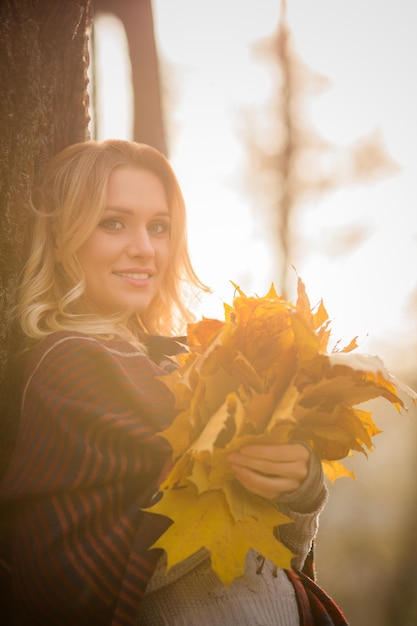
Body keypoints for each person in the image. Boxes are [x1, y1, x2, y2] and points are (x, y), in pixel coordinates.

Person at [0, 139, 348, 625]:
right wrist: (219, 481)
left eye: (159, 227)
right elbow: (65, 580)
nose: (144, 248)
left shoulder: (190, 362)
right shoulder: (68, 364)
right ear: (62, 237)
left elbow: (277, 555)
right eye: (113, 222)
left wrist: (302, 489)